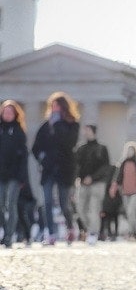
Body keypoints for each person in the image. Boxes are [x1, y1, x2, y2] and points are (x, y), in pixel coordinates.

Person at [31, 92, 80, 245]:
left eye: (57, 106)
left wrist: (58, 124)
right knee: (46, 202)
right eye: (52, 106)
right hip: (48, 169)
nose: (54, 109)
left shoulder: (72, 124)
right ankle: (50, 234)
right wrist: (42, 159)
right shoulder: (46, 126)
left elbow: (69, 143)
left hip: (65, 169)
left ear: (64, 107)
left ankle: (70, 227)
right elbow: (35, 147)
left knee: (64, 203)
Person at [74, 125, 111, 244]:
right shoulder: (81, 149)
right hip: (83, 183)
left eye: (88, 130)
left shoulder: (102, 148)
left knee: (94, 209)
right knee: (80, 209)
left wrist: (93, 177)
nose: (86, 133)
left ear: (93, 132)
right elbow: (76, 166)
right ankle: (90, 229)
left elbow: (106, 167)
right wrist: (78, 178)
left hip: (97, 183)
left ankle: (93, 233)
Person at [0, 100, 29, 248]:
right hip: (1, 175)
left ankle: (9, 236)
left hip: (14, 176)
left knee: (11, 204)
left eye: (10, 112)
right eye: (5, 112)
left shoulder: (19, 132)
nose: (7, 114)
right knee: (0, 206)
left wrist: (22, 177)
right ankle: (4, 231)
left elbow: (24, 156)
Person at [110, 142, 136, 241]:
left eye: (131, 150)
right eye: (128, 150)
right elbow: (117, 179)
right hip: (125, 193)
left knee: (131, 211)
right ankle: (134, 232)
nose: (129, 152)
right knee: (129, 213)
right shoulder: (122, 163)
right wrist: (113, 190)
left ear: (135, 152)